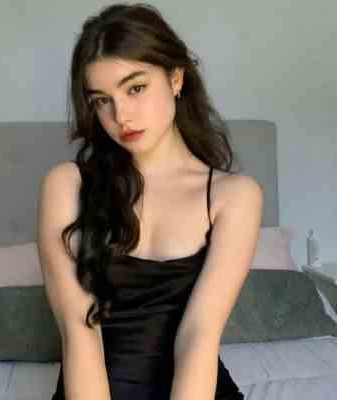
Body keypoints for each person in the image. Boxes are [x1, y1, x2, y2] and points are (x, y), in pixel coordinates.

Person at [37, 3, 263, 400]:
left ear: (176, 78)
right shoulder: (67, 185)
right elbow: (78, 330)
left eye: (135, 88)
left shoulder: (234, 196)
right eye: (101, 100)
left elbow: (199, 335)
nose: (121, 115)